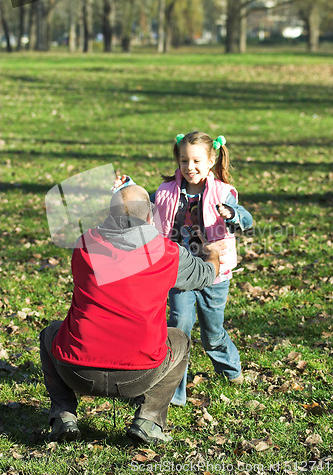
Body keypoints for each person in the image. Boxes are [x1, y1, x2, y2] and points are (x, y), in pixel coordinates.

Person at [39, 183, 221, 444]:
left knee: (50, 333)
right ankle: (149, 421)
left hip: (77, 369)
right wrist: (211, 255)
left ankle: (63, 415)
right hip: (139, 374)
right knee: (179, 339)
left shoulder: (84, 246)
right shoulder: (168, 254)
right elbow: (205, 276)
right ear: (149, 217)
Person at [152, 131, 253, 406]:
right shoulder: (165, 192)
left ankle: (230, 370)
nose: (190, 167)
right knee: (179, 326)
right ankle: (174, 391)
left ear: (211, 161)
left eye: (196, 161)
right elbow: (141, 206)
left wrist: (232, 215)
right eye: (184, 160)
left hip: (214, 274)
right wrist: (124, 189)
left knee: (212, 333)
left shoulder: (222, 192)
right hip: (180, 270)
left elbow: (247, 218)